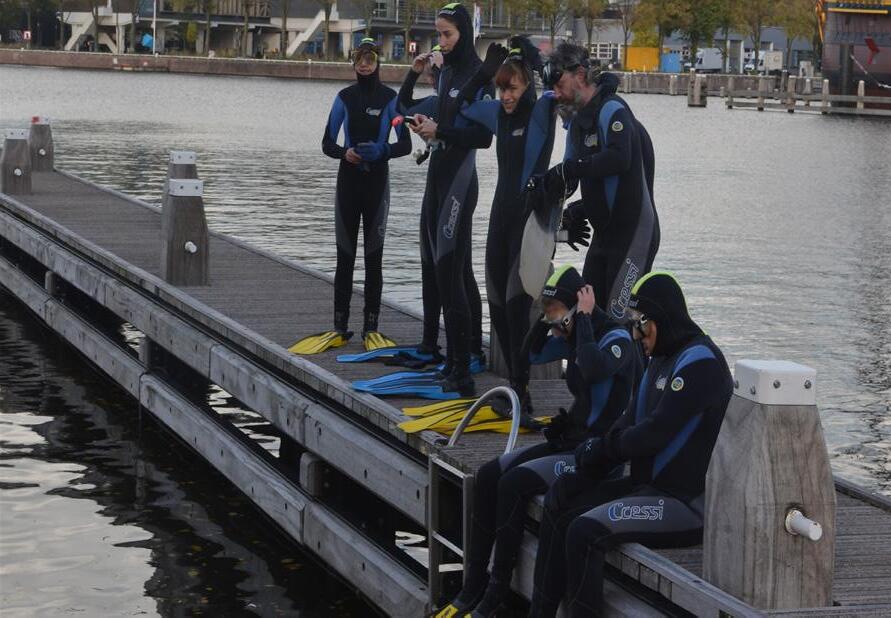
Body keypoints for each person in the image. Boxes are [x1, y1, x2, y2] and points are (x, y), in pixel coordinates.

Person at [435, 265, 638, 617]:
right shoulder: (573, 334)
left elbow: (593, 368)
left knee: (513, 483)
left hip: (598, 456)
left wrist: (582, 319)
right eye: (549, 313)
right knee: (489, 475)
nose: (554, 322)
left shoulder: (614, 338)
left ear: (576, 307)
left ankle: (497, 591)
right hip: (572, 443)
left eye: (557, 312)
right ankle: (474, 585)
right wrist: (546, 320)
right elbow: (527, 355)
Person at [529, 271, 734, 617]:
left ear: (661, 319)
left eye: (640, 324)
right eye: (633, 325)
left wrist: (602, 449)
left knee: (583, 531)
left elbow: (653, 433)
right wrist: (588, 467)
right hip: (647, 489)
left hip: (684, 503)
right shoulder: (660, 358)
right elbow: (628, 421)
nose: (636, 335)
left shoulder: (700, 363)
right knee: (561, 504)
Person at [447, 37, 563, 412]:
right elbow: (461, 106)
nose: (506, 96)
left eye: (512, 88)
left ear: (527, 84)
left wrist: (536, 59)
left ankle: (521, 393)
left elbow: (563, 89)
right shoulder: (498, 114)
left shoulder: (542, 112)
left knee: (516, 307)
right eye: (501, 89)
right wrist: (484, 73)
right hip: (500, 220)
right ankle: (515, 388)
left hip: (530, 223)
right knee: (497, 308)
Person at [398, 3, 493, 394]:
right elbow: (429, 115)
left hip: (459, 182)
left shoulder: (478, 74)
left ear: (464, 33)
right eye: (438, 34)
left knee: (452, 275)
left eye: (447, 34)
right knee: (443, 272)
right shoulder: (448, 72)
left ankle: (464, 369)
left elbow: (483, 137)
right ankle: (453, 362)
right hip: (438, 175)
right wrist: (428, 127)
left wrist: (441, 131)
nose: (441, 41)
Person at [298, 38, 411, 355]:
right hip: (348, 184)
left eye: (369, 59)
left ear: (377, 63)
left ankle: (371, 328)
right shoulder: (344, 98)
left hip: (377, 186)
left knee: (374, 259)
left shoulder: (390, 99)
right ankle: (339, 326)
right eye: (359, 59)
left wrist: (382, 151)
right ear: (353, 63)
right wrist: (343, 153)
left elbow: (405, 144)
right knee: (344, 257)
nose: (364, 65)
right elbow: (326, 143)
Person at [536, 43, 659, 321]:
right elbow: (571, 179)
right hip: (604, 236)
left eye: (559, 84)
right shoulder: (578, 124)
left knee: (619, 321)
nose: (556, 93)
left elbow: (619, 159)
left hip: (634, 235)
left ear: (580, 75)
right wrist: (565, 209)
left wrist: (569, 169)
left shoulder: (612, 109)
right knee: (588, 316)